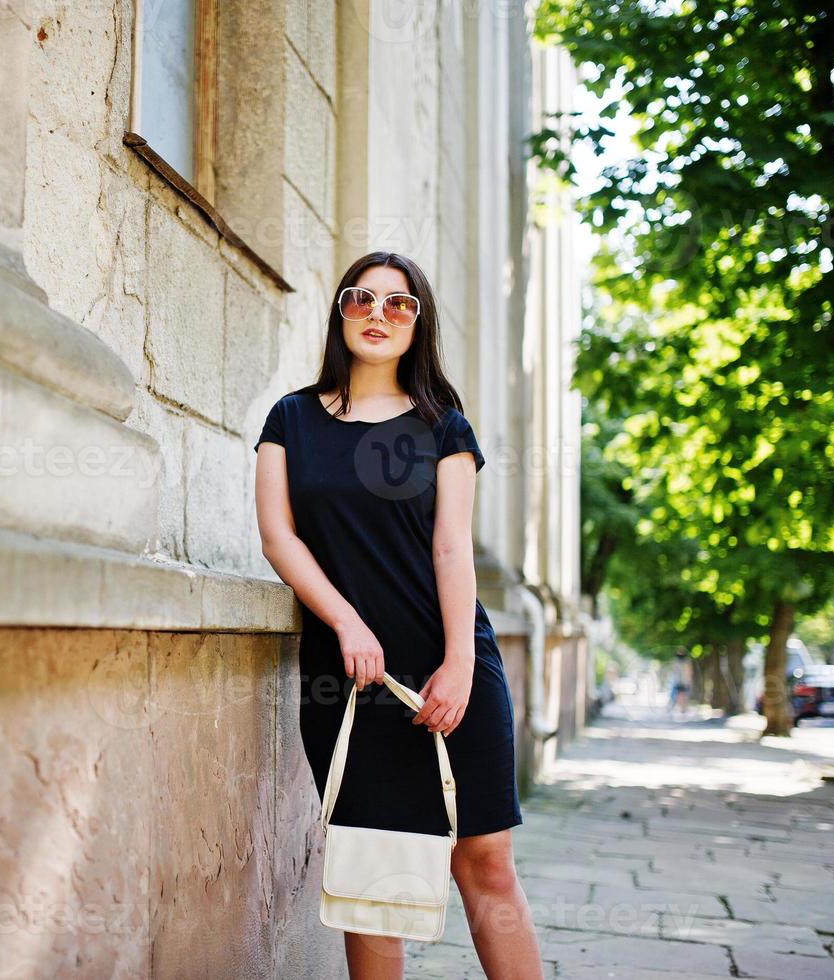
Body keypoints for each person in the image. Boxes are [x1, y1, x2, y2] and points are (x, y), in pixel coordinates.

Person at [253, 252, 543, 979]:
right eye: (361, 299)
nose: (378, 314)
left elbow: (451, 550)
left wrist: (459, 665)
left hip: (451, 661)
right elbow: (277, 536)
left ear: (419, 324)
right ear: (339, 314)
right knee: (372, 876)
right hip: (348, 674)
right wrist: (346, 621)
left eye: (398, 304)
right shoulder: (289, 418)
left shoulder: (444, 427)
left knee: (484, 859)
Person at [668, 649, 691, 715]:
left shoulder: (686, 661)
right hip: (677, 680)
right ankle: (680, 707)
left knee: (682, 694)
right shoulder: (675, 660)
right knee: (677, 694)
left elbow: (689, 671)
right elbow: (673, 670)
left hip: (684, 681)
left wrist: (688, 679)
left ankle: (682, 708)